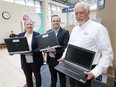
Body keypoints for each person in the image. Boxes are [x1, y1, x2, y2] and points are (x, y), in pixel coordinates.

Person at [58, 2, 113, 87]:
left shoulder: (99, 29)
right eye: (76, 13)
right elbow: (69, 46)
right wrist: (64, 56)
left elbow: (108, 54)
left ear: (88, 12)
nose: (78, 15)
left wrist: (95, 72)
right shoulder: (75, 29)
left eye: (81, 12)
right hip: (72, 64)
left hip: (86, 69)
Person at [45, 15, 70, 87]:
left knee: (62, 78)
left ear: (60, 22)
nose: (55, 22)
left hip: (60, 59)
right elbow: (45, 45)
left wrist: (55, 50)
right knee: (53, 77)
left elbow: (66, 47)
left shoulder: (65, 32)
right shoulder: (48, 32)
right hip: (50, 59)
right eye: (54, 21)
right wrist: (46, 50)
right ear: (51, 22)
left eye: (57, 21)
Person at [18, 19, 43, 87]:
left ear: (33, 25)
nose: (29, 26)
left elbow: (40, 47)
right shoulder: (20, 35)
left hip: (35, 60)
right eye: (27, 24)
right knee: (28, 77)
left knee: (37, 76)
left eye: (31, 24)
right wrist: (13, 52)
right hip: (25, 61)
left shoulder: (37, 34)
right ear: (24, 25)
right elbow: (17, 47)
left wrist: (33, 52)